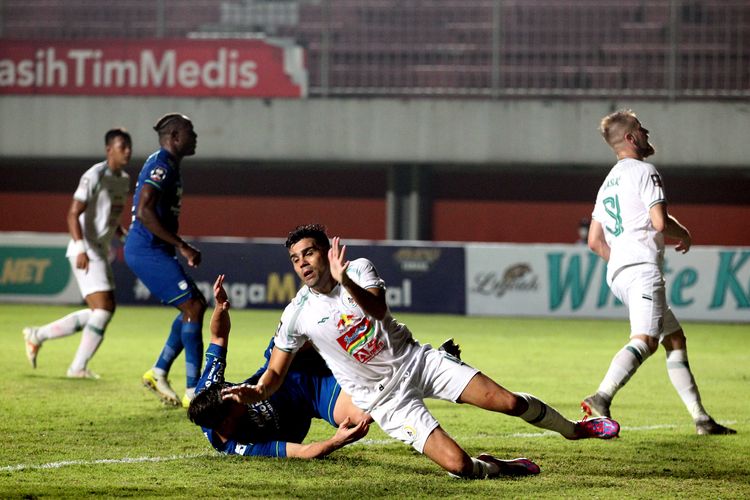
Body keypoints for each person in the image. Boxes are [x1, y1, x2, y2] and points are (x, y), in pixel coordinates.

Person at [222, 224, 620, 479]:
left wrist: (347, 283)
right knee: (460, 467)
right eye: (295, 258)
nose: (302, 263)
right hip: (384, 401)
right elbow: (274, 375)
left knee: (510, 402)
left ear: (327, 251)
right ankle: (499, 466)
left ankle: (576, 429)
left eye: (308, 252)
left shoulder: (357, 269)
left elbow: (377, 309)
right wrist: (253, 392)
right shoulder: (297, 314)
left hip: (418, 362)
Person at [581, 109, 736, 436]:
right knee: (646, 341)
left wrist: (623, 258)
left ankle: (702, 419)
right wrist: (687, 234)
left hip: (619, 274)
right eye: (640, 128)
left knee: (674, 339)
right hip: (641, 271)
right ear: (630, 137)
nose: (646, 131)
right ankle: (601, 396)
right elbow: (660, 223)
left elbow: (595, 242)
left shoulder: (607, 183)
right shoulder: (645, 171)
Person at [188, 274, 371, 458]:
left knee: (309, 326)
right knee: (363, 415)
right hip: (314, 395)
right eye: (235, 400)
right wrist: (336, 441)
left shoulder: (209, 388)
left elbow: (218, 337)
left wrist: (220, 307)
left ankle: (350, 299)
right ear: (227, 422)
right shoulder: (242, 445)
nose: (237, 392)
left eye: (231, 390)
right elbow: (301, 452)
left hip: (285, 365)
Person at [23, 128, 132, 379]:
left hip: (100, 249)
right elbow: (73, 213)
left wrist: (123, 235)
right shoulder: (94, 175)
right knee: (104, 309)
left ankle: (37, 335)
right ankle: (77, 368)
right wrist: (81, 247)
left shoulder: (123, 179)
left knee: (101, 310)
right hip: (85, 248)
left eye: (129, 146)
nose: (127, 151)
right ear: (109, 150)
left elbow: (110, 215)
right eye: (122, 146)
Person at [124, 113, 206, 408]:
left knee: (193, 306)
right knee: (193, 306)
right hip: (147, 250)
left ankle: (158, 371)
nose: (195, 136)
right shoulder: (161, 165)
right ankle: (194, 391)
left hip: (154, 249)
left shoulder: (168, 164)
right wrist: (183, 246)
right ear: (174, 136)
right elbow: (145, 211)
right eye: (189, 131)